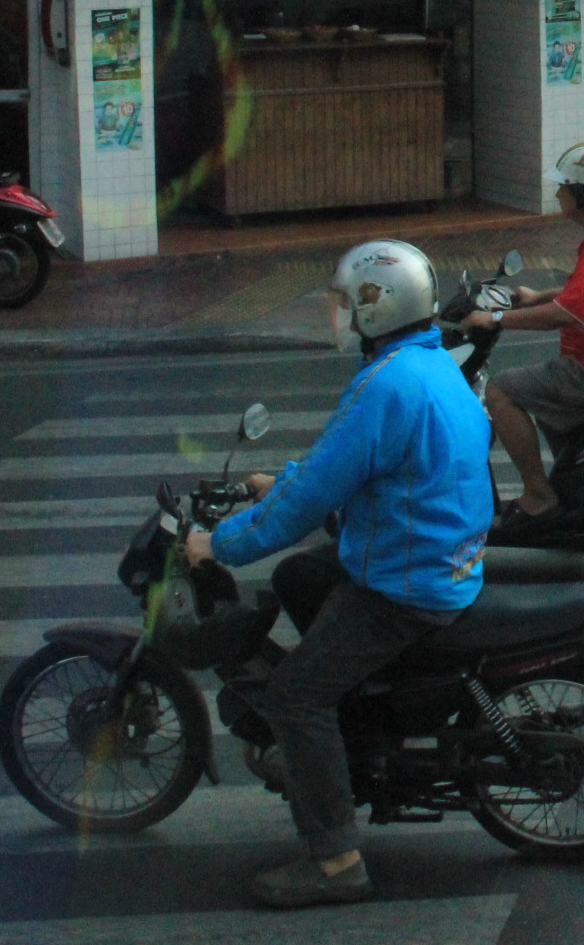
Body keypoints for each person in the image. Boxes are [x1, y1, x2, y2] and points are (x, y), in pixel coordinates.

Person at [186, 240, 492, 910]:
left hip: (407, 580)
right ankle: (353, 728)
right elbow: (340, 471)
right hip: (435, 552)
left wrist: (222, 545)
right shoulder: (431, 363)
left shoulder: (384, 386)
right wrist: (283, 481)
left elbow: (310, 500)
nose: (344, 317)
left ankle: (335, 861)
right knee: (300, 578)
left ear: (377, 307)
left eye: (350, 304)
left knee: (296, 695)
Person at [465, 142, 584, 516]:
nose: (557, 193)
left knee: (502, 390)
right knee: (540, 397)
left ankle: (539, 495)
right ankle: (578, 489)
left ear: (582, 193)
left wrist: (496, 319)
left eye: (564, 188)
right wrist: (537, 295)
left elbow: (565, 314)